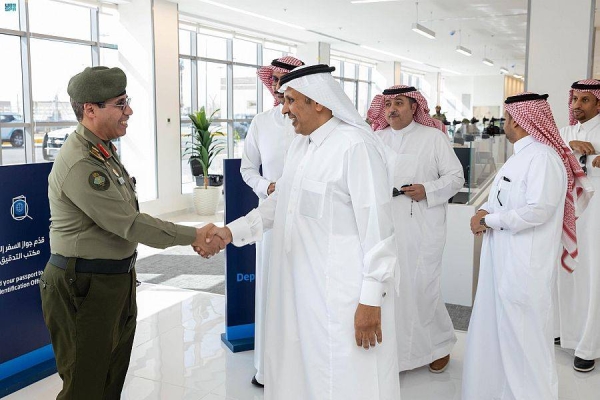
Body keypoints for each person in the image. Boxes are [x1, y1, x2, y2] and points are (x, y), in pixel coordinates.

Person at [207, 64, 401, 400]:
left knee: (348, 379)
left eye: (291, 100)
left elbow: (379, 232)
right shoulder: (302, 146)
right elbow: (278, 204)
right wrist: (230, 233)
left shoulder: (355, 147)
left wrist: (370, 300)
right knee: (303, 376)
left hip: (343, 296)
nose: (283, 109)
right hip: (300, 292)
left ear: (320, 103)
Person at [39, 66, 224, 400]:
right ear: (90, 109)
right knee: (85, 386)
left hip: (111, 280)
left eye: (128, 101)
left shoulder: (103, 152)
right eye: (120, 104)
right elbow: (130, 223)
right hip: (83, 284)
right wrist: (194, 235)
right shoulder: (83, 162)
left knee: (110, 380)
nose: (130, 112)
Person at [463, 92, 593, 400]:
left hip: (524, 267)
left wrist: (489, 220)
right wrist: (487, 213)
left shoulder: (543, 158)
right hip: (506, 262)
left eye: (507, 118)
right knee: (505, 336)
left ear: (517, 121)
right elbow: (507, 201)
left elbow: (539, 210)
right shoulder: (522, 155)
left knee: (526, 342)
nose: (504, 124)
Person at [367, 85, 464, 374]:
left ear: (414, 107)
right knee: (389, 286)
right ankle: (396, 353)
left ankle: (438, 345)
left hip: (422, 223)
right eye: (387, 105)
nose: (391, 109)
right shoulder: (376, 138)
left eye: (398, 103)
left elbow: (456, 177)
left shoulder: (433, 138)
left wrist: (428, 189)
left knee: (422, 286)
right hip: (386, 222)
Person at [240, 55, 304, 387]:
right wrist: (268, 186)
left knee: (301, 293)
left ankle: (300, 366)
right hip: (270, 220)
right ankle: (267, 369)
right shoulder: (261, 122)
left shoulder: (311, 123)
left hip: (308, 223)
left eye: (287, 82)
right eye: (276, 81)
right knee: (270, 292)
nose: (280, 90)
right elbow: (247, 168)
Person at [556, 79, 600, 372]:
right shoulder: (565, 132)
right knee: (568, 269)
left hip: (597, 210)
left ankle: (590, 344)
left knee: (593, 275)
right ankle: (569, 331)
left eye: (585, 100)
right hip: (569, 208)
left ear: (598, 103)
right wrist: (569, 146)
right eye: (575, 100)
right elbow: (549, 154)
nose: (577, 106)